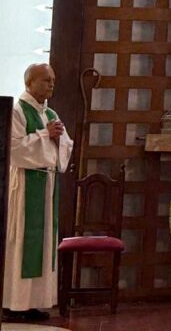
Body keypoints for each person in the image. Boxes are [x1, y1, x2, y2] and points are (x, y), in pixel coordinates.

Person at [3, 63, 73, 322]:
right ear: (29, 82)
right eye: (45, 80)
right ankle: (13, 303)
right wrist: (47, 134)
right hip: (25, 186)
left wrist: (58, 137)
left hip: (45, 185)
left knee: (42, 244)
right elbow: (14, 149)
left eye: (53, 80)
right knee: (22, 242)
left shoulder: (50, 112)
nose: (51, 84)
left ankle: (33, 303)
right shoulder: (17, 110)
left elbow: (63, 148)